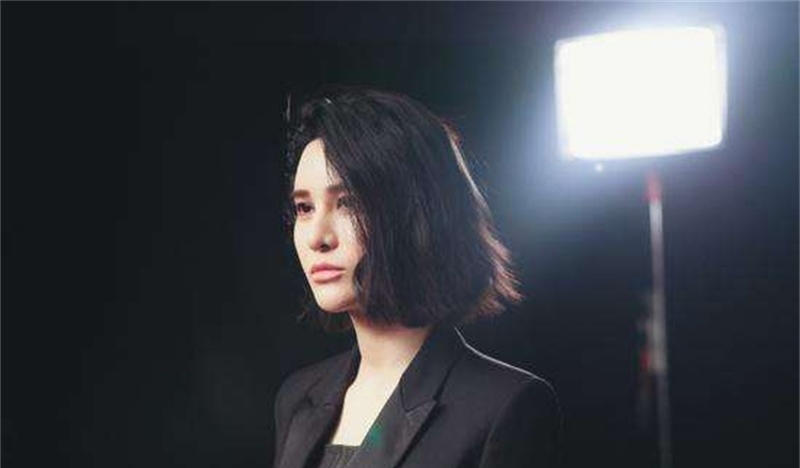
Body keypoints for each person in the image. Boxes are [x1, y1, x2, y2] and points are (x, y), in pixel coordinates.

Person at [274, 87, 561, 468]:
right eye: (304, 207)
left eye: (348, 203)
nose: (316, 237)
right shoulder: (297, 397)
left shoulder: (504, 406)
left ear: (414, 216)